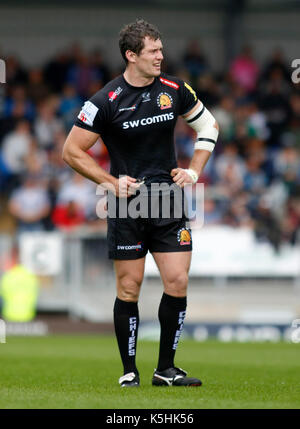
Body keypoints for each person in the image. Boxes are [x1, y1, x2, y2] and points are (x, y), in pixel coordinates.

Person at [63, 19, 219, 387]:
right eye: (153, 51)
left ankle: (166, 369)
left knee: (177, 281)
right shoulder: (104, 101)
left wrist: (194, 171)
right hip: (128, 203)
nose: (161, 56)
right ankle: (128, 370)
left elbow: (209, 126)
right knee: (129, 288)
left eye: (161, 49)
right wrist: (109, 181)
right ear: (131, 56)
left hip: (168, 200)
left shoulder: (175, 88)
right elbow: (71, 151)